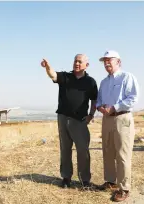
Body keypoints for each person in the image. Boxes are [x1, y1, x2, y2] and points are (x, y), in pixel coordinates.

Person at [40, 54, 98, 188]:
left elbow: (94, 100)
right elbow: (53, 75)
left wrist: (91, 114)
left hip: (80, 120)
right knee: (65, 149)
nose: (76, 63)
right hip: (63, 118)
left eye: (79, 61)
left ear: (86, 65)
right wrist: (48, 68)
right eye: (75, 61)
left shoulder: (90, 82)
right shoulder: (66, 77)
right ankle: (66, 177)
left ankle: (85, 179)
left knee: (83, 150)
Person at [96, 50, 139, 202]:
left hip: (122, 118)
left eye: (110, 60)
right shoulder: (104, 82)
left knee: (122, 154)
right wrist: (100, 107)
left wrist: (114, 107)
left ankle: (124, 188)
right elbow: (98, 100)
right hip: (107, 119)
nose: (106, 63)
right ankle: (110, 182)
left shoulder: (127, 77)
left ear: (118, 62)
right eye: (104, 61)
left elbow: (133, 98)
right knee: (107, 151)